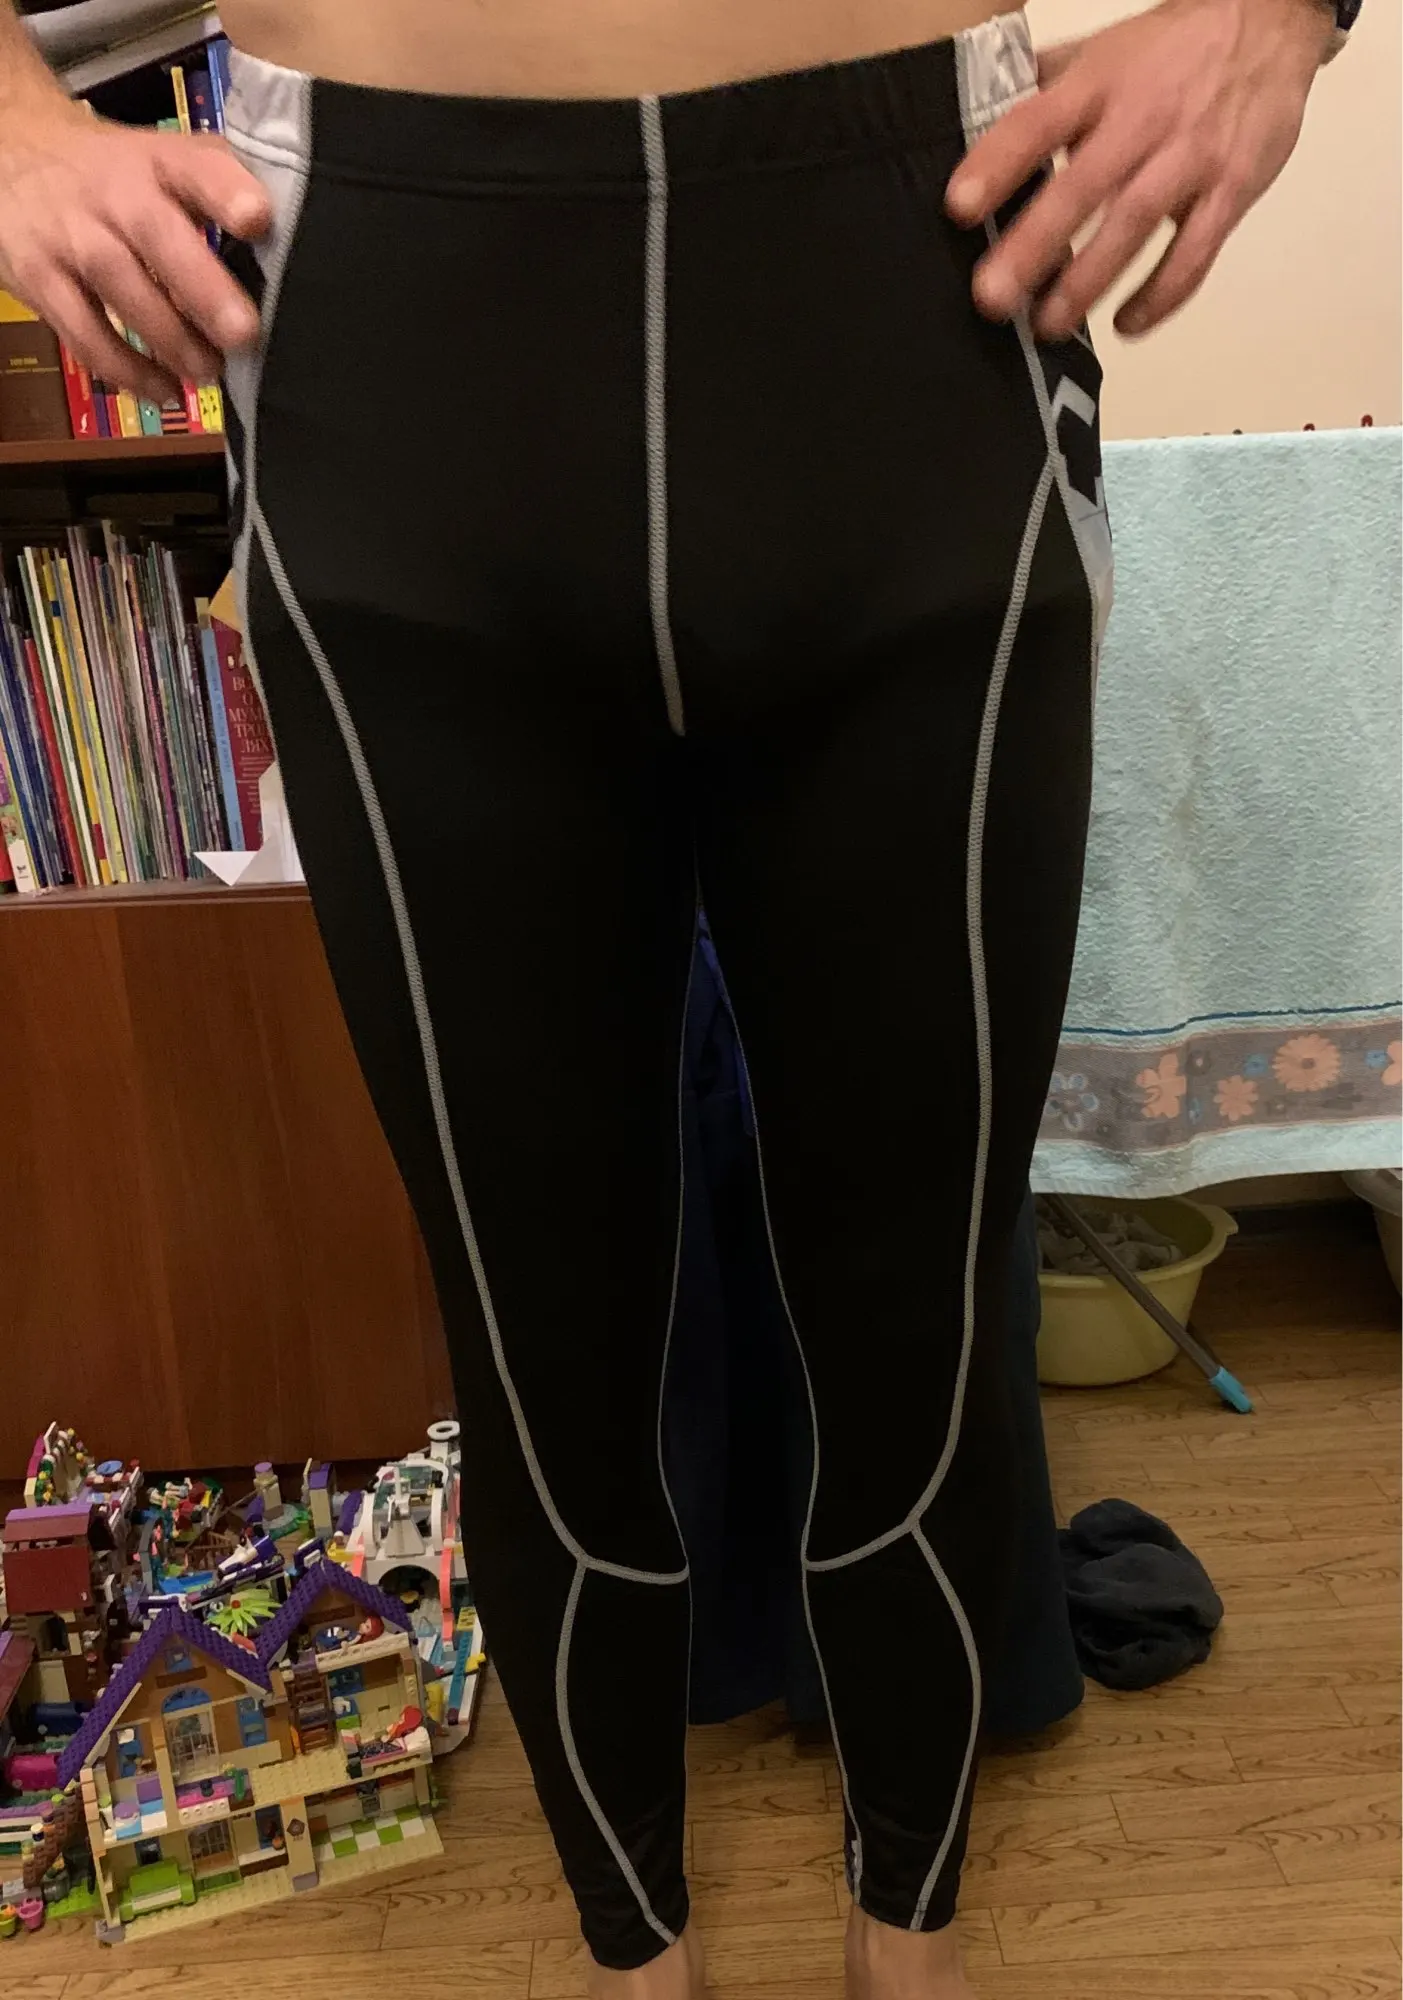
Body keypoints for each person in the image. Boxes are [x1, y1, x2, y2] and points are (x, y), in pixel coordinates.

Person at [0, 0, 1352, 1993]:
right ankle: (637, 1963)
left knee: (916, 1318)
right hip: (394, 324)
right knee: (539, 1335)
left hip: (906, 291)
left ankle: (909, 1946)